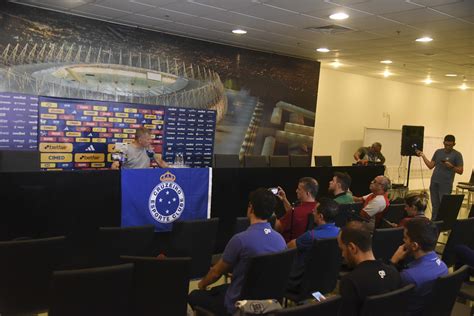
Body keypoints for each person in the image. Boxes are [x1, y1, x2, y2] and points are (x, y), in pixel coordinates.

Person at [188, 188, 286, 315]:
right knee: (221, 289)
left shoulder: (240, 240)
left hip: (238, 306)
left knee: (195, 295)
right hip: (268, 303)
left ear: (251, 208)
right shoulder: (280, 240)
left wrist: (201, 284)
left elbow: (216, 273)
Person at [338, 221, 401, 316]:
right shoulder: (393, 272)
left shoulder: (350, 282)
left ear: (352, 248)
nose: (342, 255)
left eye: (342, 249)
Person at [390, 218, 448, 315]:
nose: (403, 240)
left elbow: (388, 296)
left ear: (414, 246)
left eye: (405, 238)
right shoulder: (443, 267)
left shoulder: (408, 276)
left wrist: (393, 261)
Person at [286, 197, 340, 291]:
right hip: (326, 280)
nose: (312, 212)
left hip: (300, 282)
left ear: (320, 216)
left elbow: (288, 247)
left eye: (314, 211)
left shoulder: (310, 236)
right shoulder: (340, 233)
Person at [416, 134, 463, 220]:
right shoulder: (438, 152)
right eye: (446, 145)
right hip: (434, 181)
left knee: (444, 206)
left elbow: (460, 171)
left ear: (454, 144)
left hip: (446, 184)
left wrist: (452, 167)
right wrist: (423, 155)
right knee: (435, 205)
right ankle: (433, 222)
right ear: (443, 143)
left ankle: (445, 224)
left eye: (450, 145)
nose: (447, 147)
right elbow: (430, 165)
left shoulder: (457, 155)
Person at [275, 177, 319, 243]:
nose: (296, 191)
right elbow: (293, 216)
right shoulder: (319, 208)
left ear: (308, 193)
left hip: (288, 248)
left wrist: (268, 211)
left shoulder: (296, 212)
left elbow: (277, 227)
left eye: (299, 189)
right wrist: (284, 199)